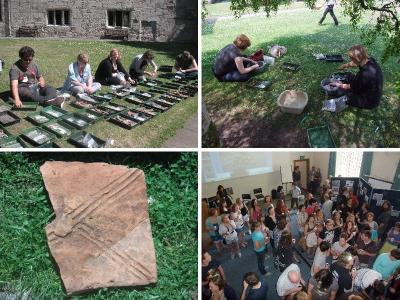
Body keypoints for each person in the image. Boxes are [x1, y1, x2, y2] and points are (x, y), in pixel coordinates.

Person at [330, 45, 383, 110]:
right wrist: (344, 65)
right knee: (348, 75)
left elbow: (349, 86)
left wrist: (338, 84)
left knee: (339, 91)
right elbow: (355, 63)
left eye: (351, 59)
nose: (351, 60)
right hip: (367, 88)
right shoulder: (370, 60)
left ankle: (349, 97)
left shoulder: (364, 74)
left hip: (368, 101)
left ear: (357, 59)